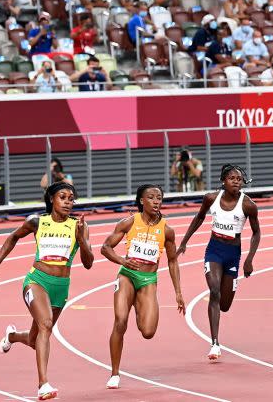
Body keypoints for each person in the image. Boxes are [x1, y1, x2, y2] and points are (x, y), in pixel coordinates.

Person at [0, 182, 94, 401]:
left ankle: (13, 336)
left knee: (36, 339)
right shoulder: (37, 222)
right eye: (63, 197)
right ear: (52, 199)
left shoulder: (79, 226)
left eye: (71, 199)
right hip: (37, 281)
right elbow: (13, 237)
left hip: (60, 288)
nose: (68, 202)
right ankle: (43, 385)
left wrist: (81, 239)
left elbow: (89, 263)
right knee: (45, 325)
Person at [100, 185, 185, 389]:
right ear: (141, 201)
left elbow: (172, 261)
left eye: (159, 198)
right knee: (120, 321)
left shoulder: (167, 230)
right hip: (127, 276)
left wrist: (178, 292)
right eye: (151, 197)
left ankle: (139, 304)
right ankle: (114, 373)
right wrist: (122, 261)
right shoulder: (129, 222)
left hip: (148, 280)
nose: (156, 201)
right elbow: (105, 247)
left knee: (148, 331)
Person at [176, 165, 261, 360]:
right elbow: (198, 218)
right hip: (214, 250)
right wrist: (184, 242)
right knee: (214, 290)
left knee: (224, 305)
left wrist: (249, 259)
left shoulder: (248, 205)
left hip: (233, 253)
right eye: (232, 178)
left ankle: (217, 328)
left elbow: (257, 232)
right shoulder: (211, 198)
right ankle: (215, 343)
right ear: (223, 180)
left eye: (239, 179)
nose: (236, 182)